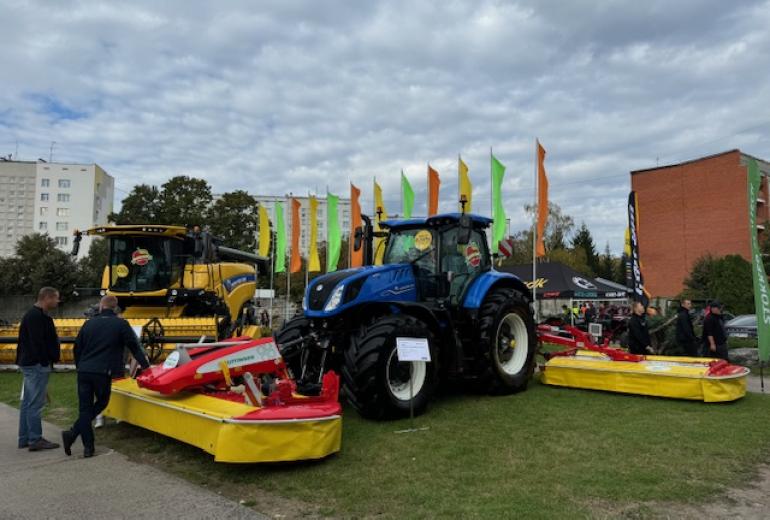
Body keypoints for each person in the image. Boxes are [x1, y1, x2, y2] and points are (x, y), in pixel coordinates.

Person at [61, 296, 150, 457]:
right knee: (101, 402)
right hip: (103, 371)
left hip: (84, 371)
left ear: (101, 306)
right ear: (115, 308)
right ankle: (73, 433)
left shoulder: (88, 324)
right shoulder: (121, 324)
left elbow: (76, 348)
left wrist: (79, 366)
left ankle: (87, 447)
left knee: (84, 409)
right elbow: (134, 347)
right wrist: (146, 367)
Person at [17, 287, 61, 451]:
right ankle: (35, 439)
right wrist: (44, 362)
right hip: (36, 365)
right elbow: (37, 343)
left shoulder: (35, 315)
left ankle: (25, 438)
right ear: (47, 298)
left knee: (28, 403)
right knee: (35, 403)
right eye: (56, 298)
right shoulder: (36, 316)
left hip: (31, 363)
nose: (57, 301)